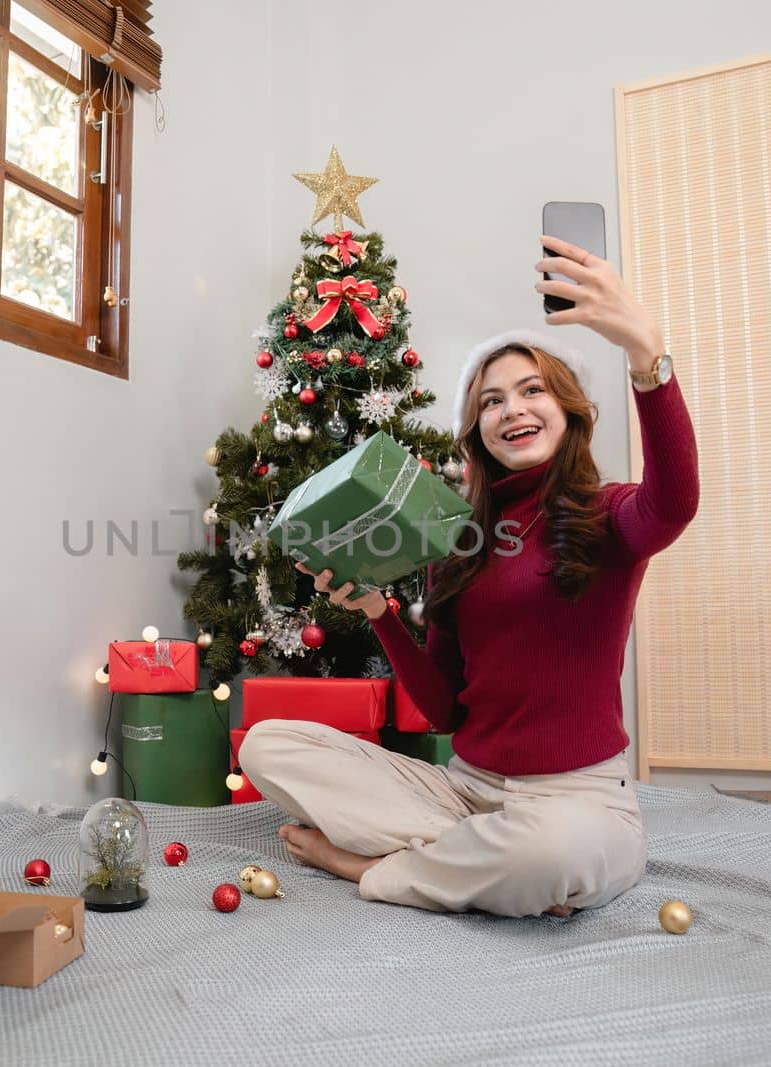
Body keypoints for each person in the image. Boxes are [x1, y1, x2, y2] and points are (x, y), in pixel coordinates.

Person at [238, 235, 699, 918]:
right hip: (461, 791)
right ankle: (482, 860)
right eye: (491, 401)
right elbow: (447, 710)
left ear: (569, 410)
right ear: (477, 428)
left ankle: (376, 869)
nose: (512, 409)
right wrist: (379, 612)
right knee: (270, 743)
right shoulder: (455, 540)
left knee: (557, 850)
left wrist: (646, 355)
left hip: (578, 801)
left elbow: (677, 501)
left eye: (532, 391)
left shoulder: (611, 516)